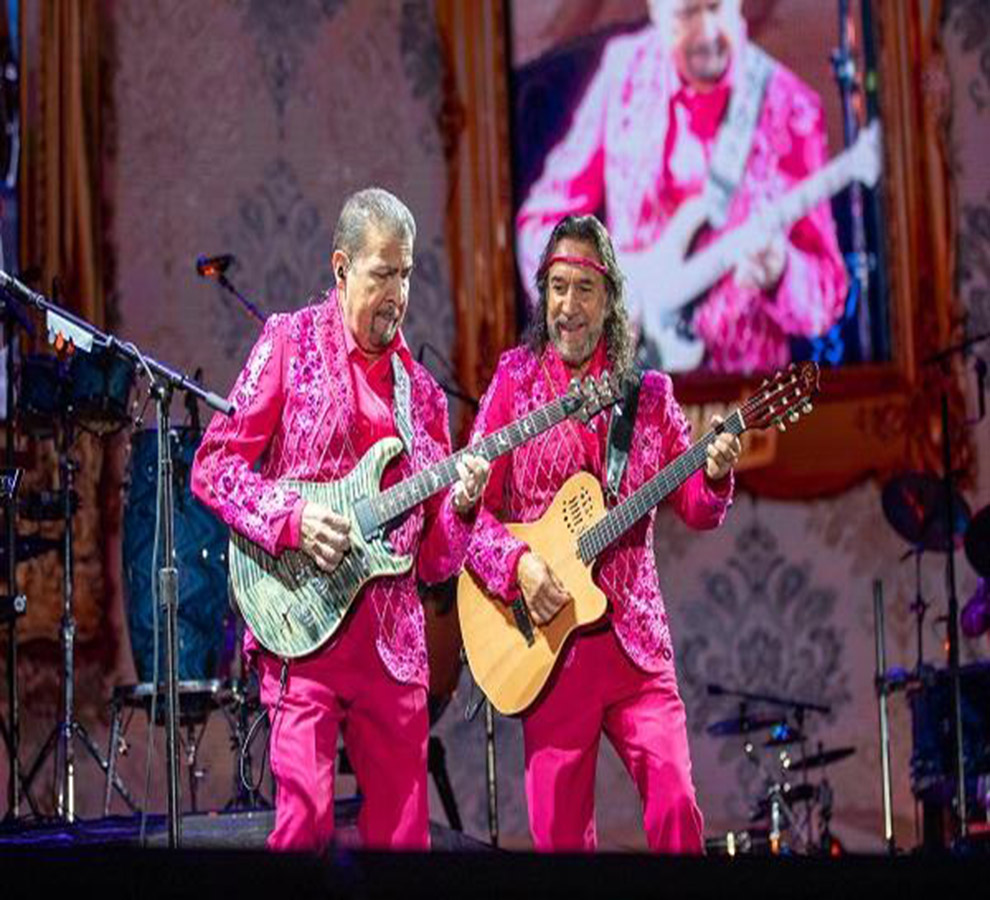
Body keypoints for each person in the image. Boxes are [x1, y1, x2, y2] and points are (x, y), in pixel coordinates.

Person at [191, 188, 489, 851]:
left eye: (405, 274)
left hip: (394, 647)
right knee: (302, 833)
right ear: (341, 267)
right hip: (301, 629)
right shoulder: (289, 342)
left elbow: (434, 560)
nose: (397, 294)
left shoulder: (422, 394)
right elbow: (213, 467)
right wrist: (295, 518)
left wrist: (463, 508)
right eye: (382, 274)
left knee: (404, 845)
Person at [464, 214, 741, 852]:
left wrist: (715, 473)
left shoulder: (649, 396)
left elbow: (696, 508)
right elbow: (468, 513)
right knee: (560, 839)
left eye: (583, 289)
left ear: (610, 298)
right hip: (550, 645)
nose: (567, 306)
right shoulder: (515, 383)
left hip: (636, 644)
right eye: (557, 288)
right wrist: (519, 566)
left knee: (677, 807)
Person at [516, 0, 847, 374]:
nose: (709, 33)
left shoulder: (791, 106)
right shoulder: (623, 71)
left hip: (748, 397)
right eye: (688, 13)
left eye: (717, 8)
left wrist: (782, 271)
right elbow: (539, 225)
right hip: (631, 394)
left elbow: (825, 301)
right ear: (656, 10)